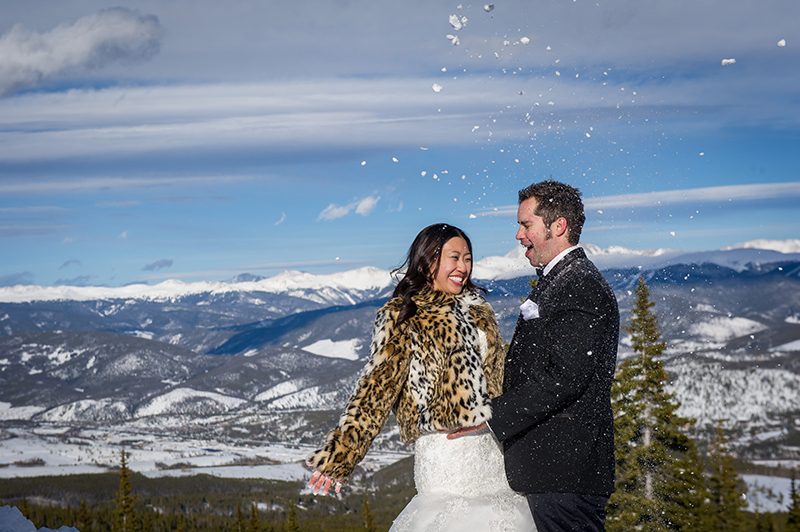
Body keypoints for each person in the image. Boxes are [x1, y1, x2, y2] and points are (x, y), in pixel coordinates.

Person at [305, 223, 536, 531]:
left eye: (468, 258)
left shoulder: (479, 309)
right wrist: (341, 454)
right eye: (454, 257)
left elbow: (499, 376)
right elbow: (377, 388)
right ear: (429, 261)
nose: (463, 267)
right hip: (446, 453)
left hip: (492, 450)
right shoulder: (404, 314)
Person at [450, 180, 619, 531]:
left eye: (526, 225)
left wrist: (491, 415)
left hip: (565, 473)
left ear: (558, 226)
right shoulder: (561, 280)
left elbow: (565, 377)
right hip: (553, 471)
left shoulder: (579, 284)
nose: (518, 235)